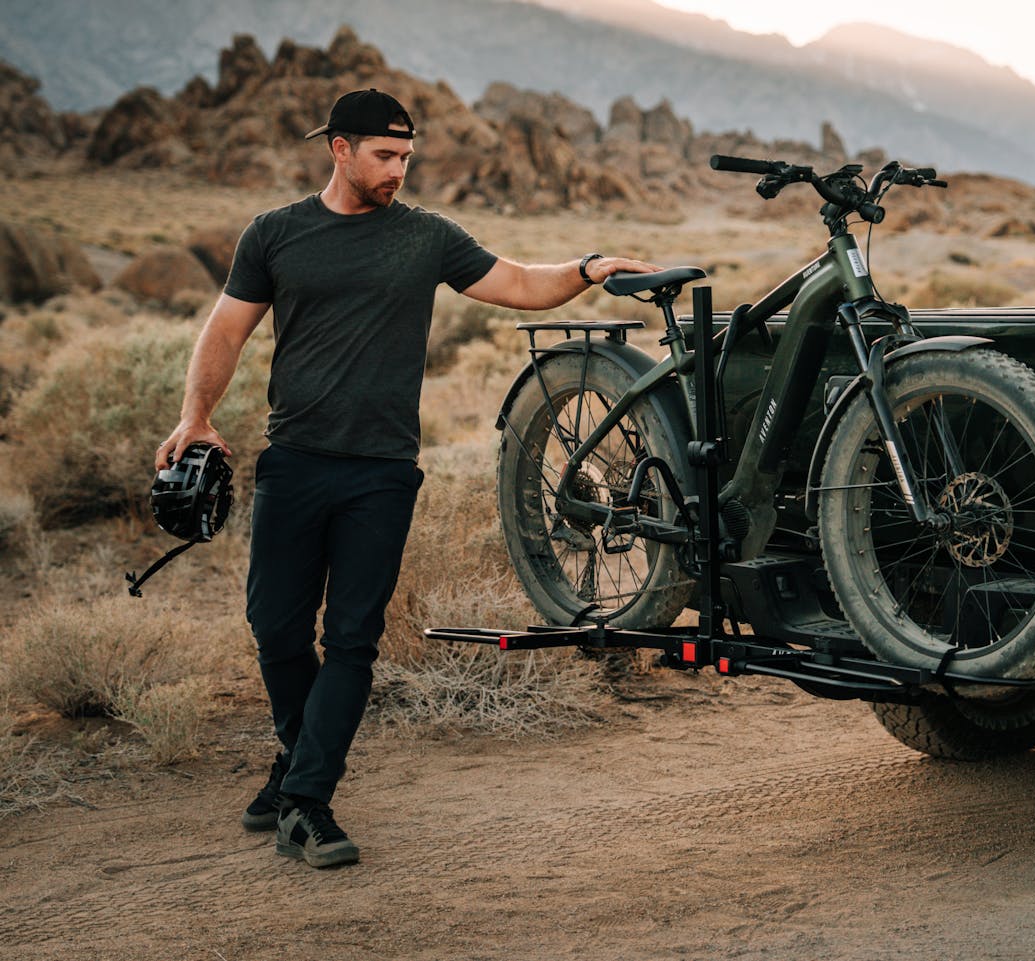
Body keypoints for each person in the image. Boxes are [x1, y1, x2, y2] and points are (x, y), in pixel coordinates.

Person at [154, 88, 659, 869]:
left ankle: (307, 801)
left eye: (406, 158)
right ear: (340, 150)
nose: (398, 170)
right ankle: (297, 763)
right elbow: (226, 328)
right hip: (294, 461)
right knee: (275, 628)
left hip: (382, 474)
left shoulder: (425, 237)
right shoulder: (276, 234)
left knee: (351, 638)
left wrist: (587, 268)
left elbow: (520, 282)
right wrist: (195, 416)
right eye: (384, 156)